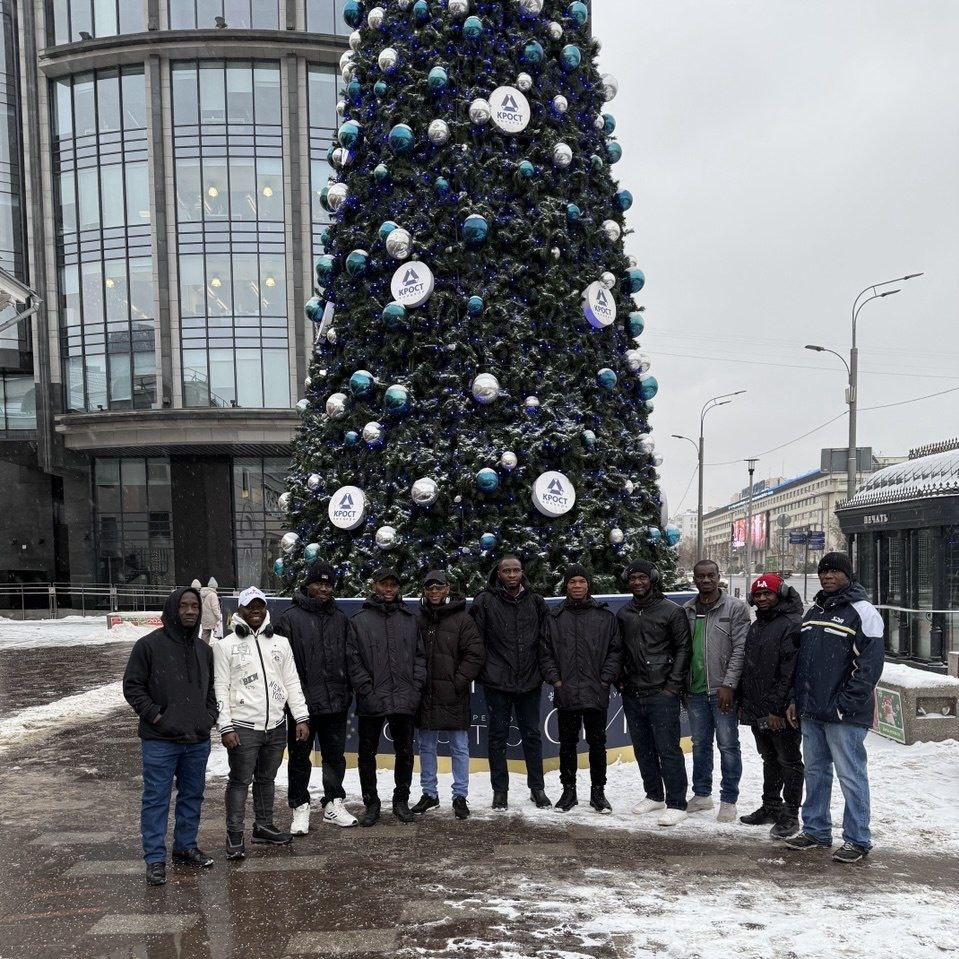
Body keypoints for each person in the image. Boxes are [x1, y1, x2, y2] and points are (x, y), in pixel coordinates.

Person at [784, 553, 884, 863]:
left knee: (851, 776)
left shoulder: (863, 612)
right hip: (812, 711)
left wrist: (844, 706)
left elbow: (869, 667)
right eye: (823, 571)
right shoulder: (814, 610)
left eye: (835, 571)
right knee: (815, 772)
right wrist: (795, 700)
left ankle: (857, 839)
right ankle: (816, 830)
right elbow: (801, 662)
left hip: (844, 715)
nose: (828, 576)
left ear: (848, 575)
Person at [122, 586, 217, 886]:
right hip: (160, 741)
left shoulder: (204, 650)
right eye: (184, 606)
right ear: (172, 609)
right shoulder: (148, 646)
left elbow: (211, 690)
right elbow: (132, 686)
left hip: (196, 740)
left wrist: (209, 717)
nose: (190, 611)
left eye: (194, 607)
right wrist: (156, 715)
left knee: (192, 796)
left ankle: (185, 846)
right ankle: (154, 858)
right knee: (156, 799)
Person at [214, 586, 311, 860]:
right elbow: (220, 687)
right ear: (240, 610)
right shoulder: (225, 646)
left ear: (266, 609)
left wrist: (300, 717)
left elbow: (291, 682)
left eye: (260, 606)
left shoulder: (281, 643)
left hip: (277, 726)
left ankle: (263, 826)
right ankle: (234, 835)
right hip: (243, 727)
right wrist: (226, 726)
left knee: (267, 779)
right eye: (249, 606)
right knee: (239, 782)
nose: (255, 611)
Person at [274, 563, 357, 832]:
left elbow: (349, 658)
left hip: (335, 702)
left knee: (335, 757)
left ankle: (333, 803)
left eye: (328, 584)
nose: (323, 588)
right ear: (308, 585)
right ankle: (300, 807)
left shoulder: (340, 618)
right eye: (319, 583)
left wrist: (346, 691)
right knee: (300, 759)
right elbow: (281, 667)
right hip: (303, 707)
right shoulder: (289, 619)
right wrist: (294, 704)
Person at [540, 564, 622, 814]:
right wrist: (556, 680)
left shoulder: (604, 617)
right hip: (566, 692)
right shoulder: (554, 618)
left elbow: (615, 651)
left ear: (588, 585)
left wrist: (605, 679)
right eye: (572, 581)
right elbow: (545, 653)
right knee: (567, 743)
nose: (577, 585)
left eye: (581, 581)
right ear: (566, 585)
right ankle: (569, 791)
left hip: (596, 691)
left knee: (598, 743)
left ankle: (598, 792)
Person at [471, 555, 551, 810]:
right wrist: (486, 671)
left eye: (516, 570)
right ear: (499, 573)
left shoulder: (536, 601)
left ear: (522, 573)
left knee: (532, 734)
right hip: (497, 682)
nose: (512, 575)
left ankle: (537, 788)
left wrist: (539, 671)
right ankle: (500, 791)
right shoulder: (485, 601)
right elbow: (476, 641)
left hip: (529, 680)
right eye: (507, 570)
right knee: (497, 736)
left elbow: (545, 639)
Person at [347, 568, 427, 827]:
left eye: (393, 584)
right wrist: (367, 691)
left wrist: (415, 688)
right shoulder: (359, 620)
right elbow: (353, 660)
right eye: (384, 584)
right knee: (366, 754)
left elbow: (419, 657)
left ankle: (401, 800)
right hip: (372, 698)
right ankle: (371, 803)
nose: (389, 589)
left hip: (404, 698)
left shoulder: (410, 619)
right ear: (374, 586)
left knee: (404, 751)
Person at [616, 560, 691, 827]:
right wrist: (621, 682)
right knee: (642, 748)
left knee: (668, 748)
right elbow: (618, 651)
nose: (638, 582)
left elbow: (683, 649)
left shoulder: (671, 611)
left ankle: (677, 803)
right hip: (633, 692)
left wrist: (672, 685)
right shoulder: (624, 613)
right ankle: (654, 794)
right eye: (633, 578)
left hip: (662, 691)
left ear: (653, 579)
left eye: (643, 578)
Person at [410, 570, 485, 820]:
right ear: (424, 591)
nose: (434, 592)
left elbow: (474, 653)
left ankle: (460, 795)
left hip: (454, 694)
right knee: (427, 747)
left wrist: (459, 682)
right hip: (426, 695)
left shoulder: (462, 619)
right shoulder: (418, 619)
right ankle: (429, 794)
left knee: (459, 748)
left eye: (438, 587)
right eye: (429, 587)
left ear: (447, 589)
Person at [682, 559, 751, 822]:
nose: (706, 580)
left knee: (728, 745)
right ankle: (702, 795)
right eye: (700, 576)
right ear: (695, 579)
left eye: (711, 575)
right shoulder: (687, 609)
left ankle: (729, 799)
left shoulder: (734, 608)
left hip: (722, 691)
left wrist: (729, 685)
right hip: (695, 691)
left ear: (718, 576)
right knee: (700, 745)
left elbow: (740, 650)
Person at [737, 574, 804, 839]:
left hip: (780, 710)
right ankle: (771, 805)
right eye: (758, 594)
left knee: (789, 760)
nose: (762, 598)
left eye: (768, 594)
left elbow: (789, 671)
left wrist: (777, 709)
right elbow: (751, 669)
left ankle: (790, 813)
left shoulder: (791, 624)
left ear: (780, 595)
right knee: (770, 758)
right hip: (758, 708)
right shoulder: (758, 626)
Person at [200, 578, 222, 644]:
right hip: (212, 618)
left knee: (205, 634)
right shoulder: (213, 595)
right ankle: (221, 648)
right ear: (215, 587)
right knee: (220, 634)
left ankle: (202, 647)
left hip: (205, 617)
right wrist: (220, 617)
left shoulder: (204, 594)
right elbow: (215, 608)